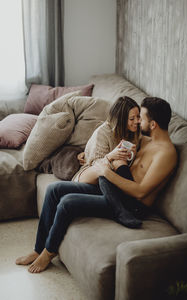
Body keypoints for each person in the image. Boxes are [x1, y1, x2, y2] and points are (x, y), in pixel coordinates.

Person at [15, 97, 177, 274]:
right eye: (136, 118)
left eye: (141, 118)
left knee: (68, 203)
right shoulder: (144, 141)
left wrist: (106, 172)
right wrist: (95, 156)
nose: (138, 122)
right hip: (116, 192)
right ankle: (38, 249)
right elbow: (115, 142)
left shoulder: (166, 153)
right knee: (55, 190)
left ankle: (48, 252)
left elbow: (140, 192)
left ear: (153, 124)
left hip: (132, 205)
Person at [73, 95, 142, 184]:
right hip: (92, 177)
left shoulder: (135, 132)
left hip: (115, 177)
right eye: (132, 119)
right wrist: (110, 156)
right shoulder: (103, 133)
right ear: (121, 120)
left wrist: (133, 155)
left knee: (119, 162)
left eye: (138, 117)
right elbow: (95, 165)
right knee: (117, 162)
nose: (137, 121)